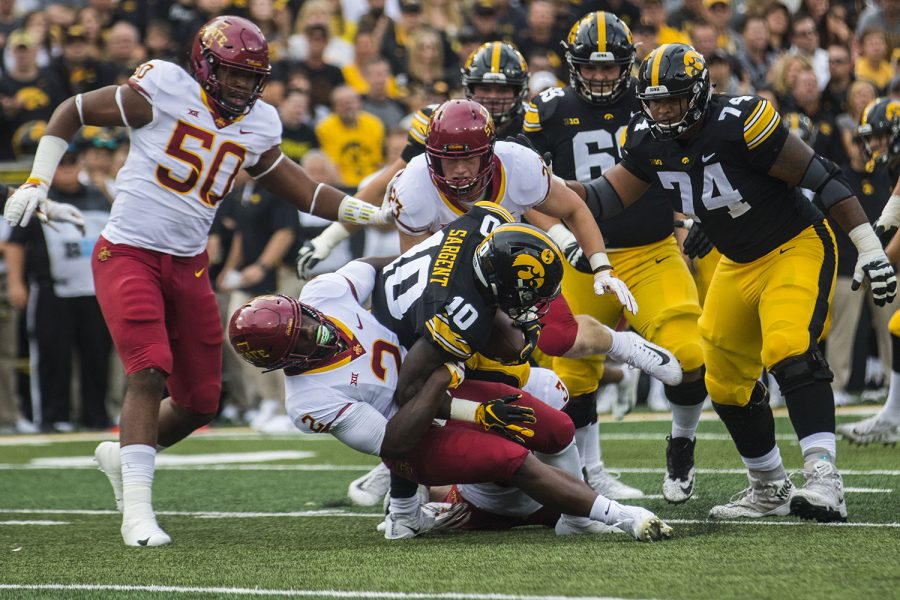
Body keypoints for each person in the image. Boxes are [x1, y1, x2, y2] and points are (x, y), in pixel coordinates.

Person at [2, 15, 392, 548]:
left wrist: (367, 214)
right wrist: (37, 179)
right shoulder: (163, 88)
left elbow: (299, 187)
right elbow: (72, 109)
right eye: (233, 74)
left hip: (188, 264)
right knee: (148, 370)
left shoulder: (258, 124)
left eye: (252, 77)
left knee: (201, 402)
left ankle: (123, 456)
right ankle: (137, 512)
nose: (243, 87)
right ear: (206, 66)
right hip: (129, 253)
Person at [569, 43, 897, 523]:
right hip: (737, 261)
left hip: (794, 245)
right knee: (721, 379)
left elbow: (823, 178)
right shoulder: (646, 139)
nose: (662, 110)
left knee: (787, 346)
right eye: (654, 100)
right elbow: (601, 197)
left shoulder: (741, 121)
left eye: (673, 99)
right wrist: (545, 187)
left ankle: (825, 479)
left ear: (699, 94)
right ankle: (768, 486)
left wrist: (869, 248)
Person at [229, 254, 673, 542]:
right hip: (414, 439)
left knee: (556, 425)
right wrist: (448, 387)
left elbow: (380, 267)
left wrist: (425, 274)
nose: (313, 329)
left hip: (441, 392)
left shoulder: (323, 293)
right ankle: (620, 515)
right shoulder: (309, 400)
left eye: (302, 320)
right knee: (509, 458)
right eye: (301, 339)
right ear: (284, 361)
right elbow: (396, 442)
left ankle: (574, 518)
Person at [523, 12, 708, 504]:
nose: (602, 76)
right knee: (571, 372)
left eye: (611, 67)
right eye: (591, 67)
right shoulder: (549, 111)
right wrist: (562, 238)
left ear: (630, 64)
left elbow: (690, 162)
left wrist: (694, 218)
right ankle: (591, 474)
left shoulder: (656, 96)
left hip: (651, 252)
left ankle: (682, 443)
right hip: (579, 259)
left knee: (690, 353)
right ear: (572, 64)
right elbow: (525, 191)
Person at [294, 41, 534, 272]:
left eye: (503, 89)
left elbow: (550, 196)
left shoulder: (535, 123)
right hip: (446, 245)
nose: (493, 97)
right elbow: (384, 184)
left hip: (520, 246)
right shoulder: (440, 123)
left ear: (520, 89)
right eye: (485, 88)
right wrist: (329, 237)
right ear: (470, 87)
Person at [840, 97, 900, 444]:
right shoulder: (892, 165)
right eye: (870, 137)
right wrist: (876, 253)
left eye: (879, 135)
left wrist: (880, 257)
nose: (873, 144)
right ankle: (892, 415)